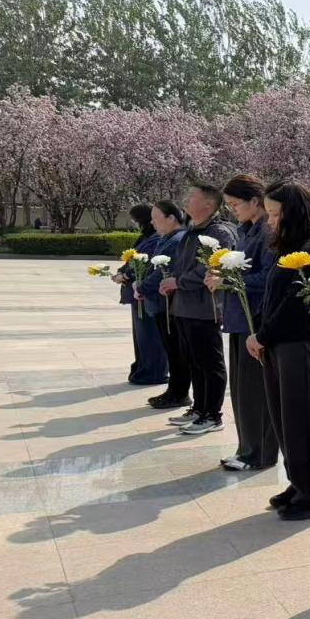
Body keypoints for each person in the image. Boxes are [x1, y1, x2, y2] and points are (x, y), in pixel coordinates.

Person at [248, 181, 310, 521]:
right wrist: (261, 335)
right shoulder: (290, 251)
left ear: (294, 214)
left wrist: (263, 335)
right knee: (286, 420)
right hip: (280, 346)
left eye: (275, 214)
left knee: (306, 422)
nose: (270, 221)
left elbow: (295, 309)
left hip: (300, 346)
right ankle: (301, 483)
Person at [207, 175, 279, 473]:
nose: (233, 210)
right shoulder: (246, 230)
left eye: (236, 204)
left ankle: (259, 453)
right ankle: (246, 447)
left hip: (255, 319)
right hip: (239, 320)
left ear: (254, 201)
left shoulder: (267, 232)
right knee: (240, 391)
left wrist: (227, 280)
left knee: (255, 393)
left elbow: (268, 277)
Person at [160, 184, 237, 435]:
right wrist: (170, 279)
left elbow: (211, 268)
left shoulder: (218, 232)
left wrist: (178, 282)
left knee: (209, 363)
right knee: (193, 362)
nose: (186, 200)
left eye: (191, 197)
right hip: (184, 306)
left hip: (205, 309)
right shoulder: (192, 230)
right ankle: (199, 408)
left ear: (208, 204)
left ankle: (212, 414)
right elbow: (182, 265)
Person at [139, 201, 190, 410]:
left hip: (168, 303)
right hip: (161, 303)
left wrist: (142, 287)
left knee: (176, 352)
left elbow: (162, 272)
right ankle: (174, 391)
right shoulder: (166, 238)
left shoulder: (176, 240)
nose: (153, 222)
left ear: (171, 218)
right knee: (172, 351)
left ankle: (179, 394)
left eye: (156, 218)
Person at [118, 204, 168, 387]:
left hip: (147, 294)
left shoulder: (155, 239)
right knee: (141, 336)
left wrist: (127, 275)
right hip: (137, 292)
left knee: (149, 335)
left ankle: (153, 371)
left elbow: (146, 264)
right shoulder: (147, 237)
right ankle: (143, 368)